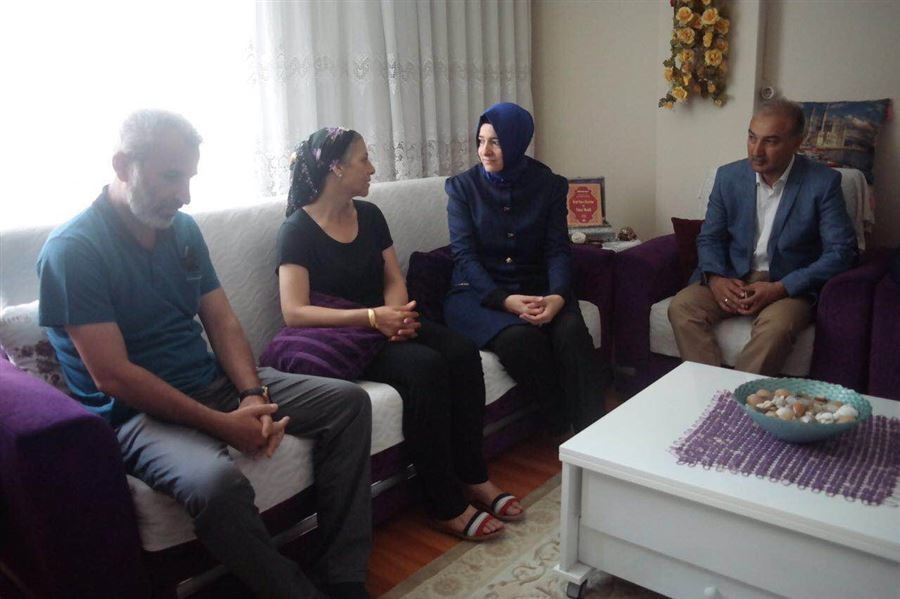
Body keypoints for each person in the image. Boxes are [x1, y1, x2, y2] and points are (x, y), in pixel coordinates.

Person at [36, 110, 372, 599]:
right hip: (136, 415)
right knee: (216, 484)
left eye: (190, 178)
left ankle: (342, 578)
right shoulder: (73, 251)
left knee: (349, 403)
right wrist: (223, 425)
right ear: (123, 165)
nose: (185, 195)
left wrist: (251, 394)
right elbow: (113, 376)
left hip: (209, 381)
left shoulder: (183, 231)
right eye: (171, 177)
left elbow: (222, 321)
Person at [275, 127, 522, 542]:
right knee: (425, 368)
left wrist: (399, 314)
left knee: (461, 351)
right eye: (363, 160)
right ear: (336, 169)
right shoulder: (296, 230)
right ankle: (445, 505)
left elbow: (393, 277)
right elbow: (294, 311)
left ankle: (473, 477)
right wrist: (374, 318)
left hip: (387, 322)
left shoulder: (370, 215)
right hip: (345, 335)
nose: (372, 169)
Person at [443, 102, 611, 434]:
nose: (485, 151)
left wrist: (558, 296)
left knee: (571, 333)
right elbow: (464, 256)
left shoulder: (548, 185)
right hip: (478, 294)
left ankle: (595, 435)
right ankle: (560, 425)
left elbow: (557, 249)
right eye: (480, 141)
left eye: (495, 142)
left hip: (538, 286)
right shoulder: (462, 188)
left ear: (516, 141)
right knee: (520, 340)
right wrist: (504, 300)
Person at [668, 98, 858, 375]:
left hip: (786, 285)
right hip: (732, 276)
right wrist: (716, 278)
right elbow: (710, 238)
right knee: (682, 307)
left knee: (776, 328)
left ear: (796, 143)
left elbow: (842, 252)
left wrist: (781, 287)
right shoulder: (728, 177)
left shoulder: (822, 183)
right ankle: (711, 391)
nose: (756, 151)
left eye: (770, 141)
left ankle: (738, 396)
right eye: (752, 137)